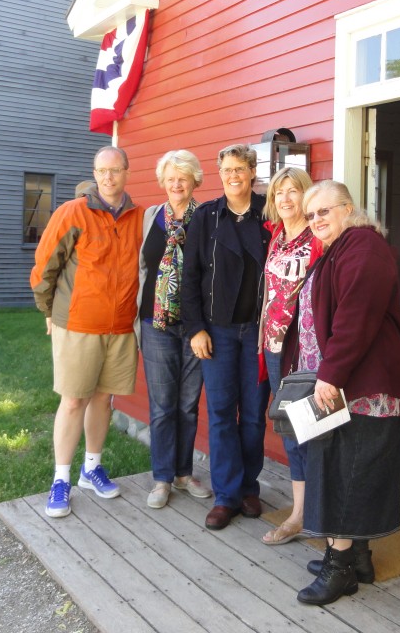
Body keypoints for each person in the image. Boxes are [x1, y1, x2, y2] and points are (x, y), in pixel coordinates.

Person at [281, 180, 400, 605]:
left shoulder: (362, 245)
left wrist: (331, 373)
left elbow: (355, 315)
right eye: (311, 214)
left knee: (343, 472)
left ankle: (339, 570)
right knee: (349, 469)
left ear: (348, 209)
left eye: (325, 210)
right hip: (345, 383)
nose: (316, 219)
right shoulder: (343, 249)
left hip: (357, 384)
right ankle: (357, 559)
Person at [30, 146, 144, 518]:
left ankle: (91, 468)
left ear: (126, 172)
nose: (108, 177)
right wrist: (48, 310)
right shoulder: (72, 213)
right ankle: (60, 479)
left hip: (121, 327)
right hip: (78, 324)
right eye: (101, 171)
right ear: (94, 174)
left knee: (103, 399)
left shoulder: (139, 217)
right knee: (73, 400)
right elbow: (45, 265)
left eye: (115, 170)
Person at [182, 143, 271, 530]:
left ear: (252, 172)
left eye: (239, 169)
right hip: (216, 330)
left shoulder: (269, 212)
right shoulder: (206, 216)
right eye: (227, 170)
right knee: (220, 413)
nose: (233, 176)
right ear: (220, 175)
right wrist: (195, 328)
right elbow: (190, 277)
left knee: (252, 414)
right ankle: (226, 495)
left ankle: (249, 488)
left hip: (257, 331)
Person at [137, 150, 213, 508]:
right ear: (162, 182)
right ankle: (162, 478)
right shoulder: (151, 217)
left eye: (183, 177)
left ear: (195, 180)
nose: (177, 183)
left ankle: (183, 474)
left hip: (195, 327)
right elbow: (141, 266)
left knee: (187, 405)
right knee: (163, 405)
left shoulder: (208, 218)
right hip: (156, 324)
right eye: (170, 178)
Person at [257, 166, 321, 546]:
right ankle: (300, 514)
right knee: (291, 430)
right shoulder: (276, 236)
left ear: (305, 195)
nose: (285, 198)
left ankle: (313, 512)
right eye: (279, 192)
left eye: (293, 191)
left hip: (305, 352)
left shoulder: (318, 237)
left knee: (312, 429)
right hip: (274, 348)